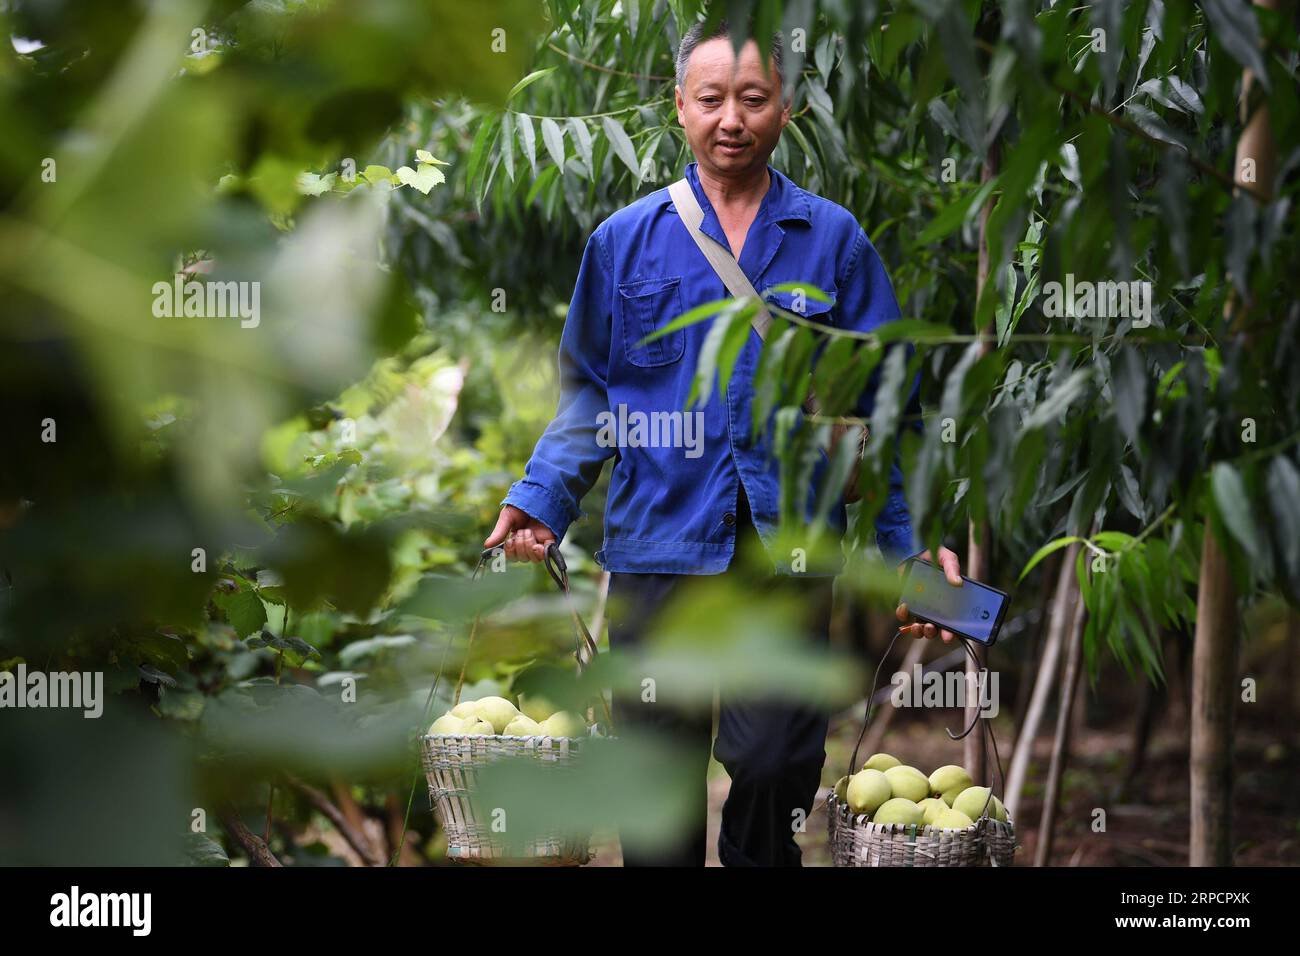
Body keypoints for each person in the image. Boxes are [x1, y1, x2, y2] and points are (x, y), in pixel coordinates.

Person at [484, 20, 962, 866]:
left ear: (786, 108)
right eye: (711, 99)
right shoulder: (624, 241)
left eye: (753, 99)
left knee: (776, 762)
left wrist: (911, 550)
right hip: (655, 546)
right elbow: (591, 392)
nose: (731, 118)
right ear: (680, 106)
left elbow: (890, 407)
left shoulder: (834, 241)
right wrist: (541, 498)